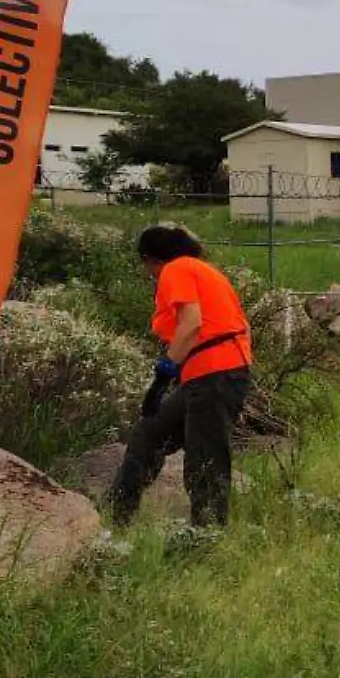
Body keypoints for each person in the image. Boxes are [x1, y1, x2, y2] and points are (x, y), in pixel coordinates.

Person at [107, 224, 253, 528]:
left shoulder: (175, 270)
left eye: (146, 265)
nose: (148, 274)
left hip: (214, 374)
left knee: (205, 458)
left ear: (151, 258)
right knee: (149, 433)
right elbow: (242, 325)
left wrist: (163, 375)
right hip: (211, 373)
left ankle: (207, 535)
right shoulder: (204, 271)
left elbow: (191, 324)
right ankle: (116, 515)